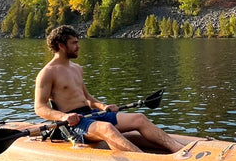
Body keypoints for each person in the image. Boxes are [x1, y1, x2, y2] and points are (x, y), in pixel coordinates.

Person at [34, 25, 184, 153]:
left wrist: (103, 106)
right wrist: (63, 117)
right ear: (61, 45)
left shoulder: (77, 68)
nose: (78, 46)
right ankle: (145, 160)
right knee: (107, 128)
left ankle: (180, 149)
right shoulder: (47, 73)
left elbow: (88, 98)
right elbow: (39, 107)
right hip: (72, 124)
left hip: (92, 114)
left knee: (139, 118)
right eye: (74, 43)